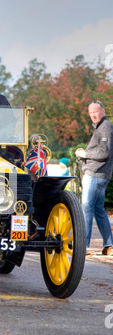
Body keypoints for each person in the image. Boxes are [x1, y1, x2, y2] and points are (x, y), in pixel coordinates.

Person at [75, 100, 113, 255]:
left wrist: (85, 154)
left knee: (86, 208)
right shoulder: (102, 127)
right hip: (100, 175)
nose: (93, 115)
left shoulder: (105, 127)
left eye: (96, 112)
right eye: (91, 113)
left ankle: (82, 246)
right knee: (98, 209)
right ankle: (109, 245)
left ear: (103, 111)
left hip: (95, 174)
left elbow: (104, 152)